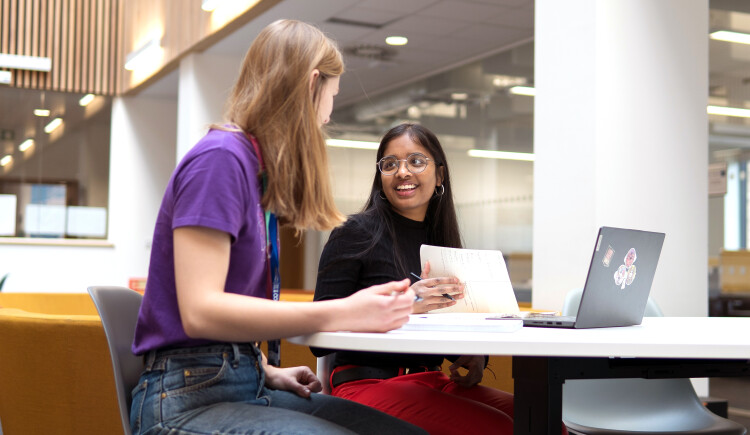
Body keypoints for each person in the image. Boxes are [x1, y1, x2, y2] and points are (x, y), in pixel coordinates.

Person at [130, 20, 427, 435]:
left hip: (239, 383)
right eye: (331, 98)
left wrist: (265, 369)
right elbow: (199, 312)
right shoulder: (220, 160)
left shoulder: (254, 172)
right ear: (311, 85)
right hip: (183, 402)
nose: (326, 117)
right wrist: (346, 311)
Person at [313, 123, 520, 435]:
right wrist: (404, 303)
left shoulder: (442, 243)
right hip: (368, 382)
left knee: (542, 421)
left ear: (439, 175)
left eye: (416, 161)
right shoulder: (354, 233)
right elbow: (317, 329)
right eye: (390, 164)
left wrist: (474, 355)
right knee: (499, 429)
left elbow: (444, 320)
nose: (402, 172)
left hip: (433, 380)